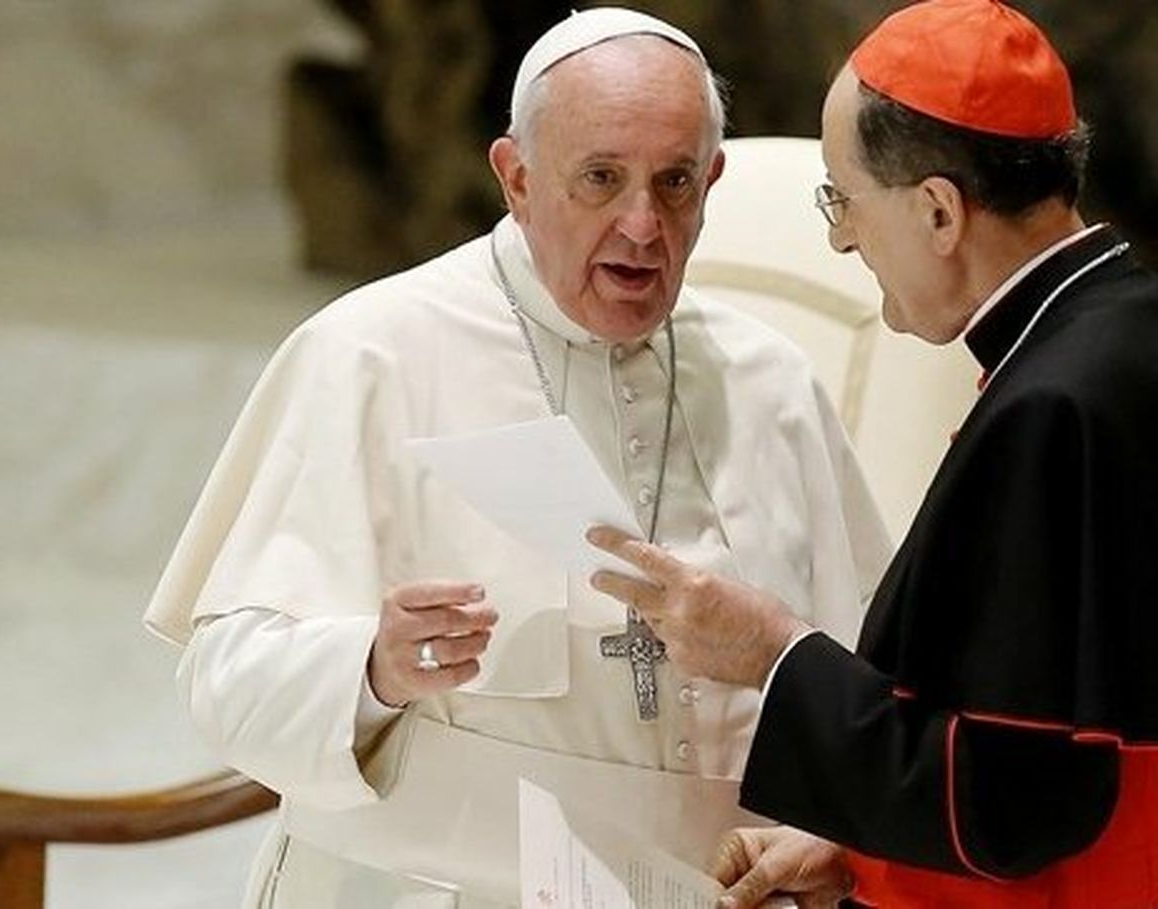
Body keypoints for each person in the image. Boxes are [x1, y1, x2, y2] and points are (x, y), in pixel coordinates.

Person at [588, 2, 1158, 907]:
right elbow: (1044, 757)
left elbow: (1007, 810)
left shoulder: (1056, 409)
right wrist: (862, 851)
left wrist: (774, 652)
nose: (841, 237)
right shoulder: (1154, 335)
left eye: (844, 199)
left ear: (939, 210)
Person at [143, 8, 891, 908]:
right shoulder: (369, 353)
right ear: (517, 176)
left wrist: (826, 831)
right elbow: (226, 682)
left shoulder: (770, 383)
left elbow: (871, 687)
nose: (643, 225)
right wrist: (374, 665)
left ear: (712, 181)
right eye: (601, 179)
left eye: (675, 182)